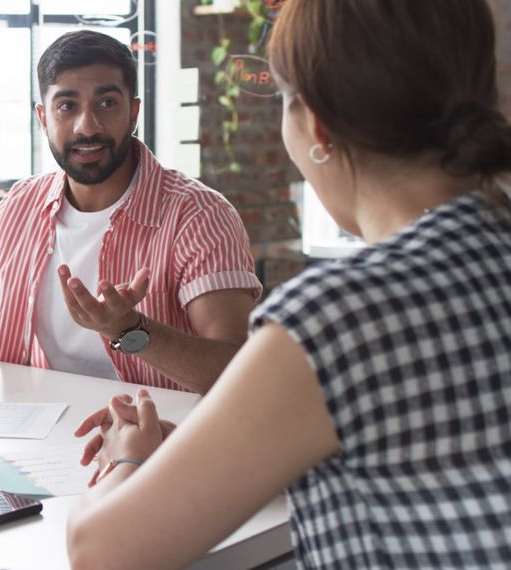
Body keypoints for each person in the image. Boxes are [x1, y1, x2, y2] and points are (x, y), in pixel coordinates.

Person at [67, 0, 511, 567]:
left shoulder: (338, 316)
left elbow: (98, 552)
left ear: (318, 126)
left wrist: (128, 457)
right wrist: (217, 443)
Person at [0, 30, 262, 394]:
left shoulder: (200, 216)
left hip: (154, 438)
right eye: (67, 106)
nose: (87, 126)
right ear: (43, 118)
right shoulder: (20, 206)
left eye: (107, 103)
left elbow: (234, 371)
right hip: (28, 431)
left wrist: (128, 330)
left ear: (134, 112)